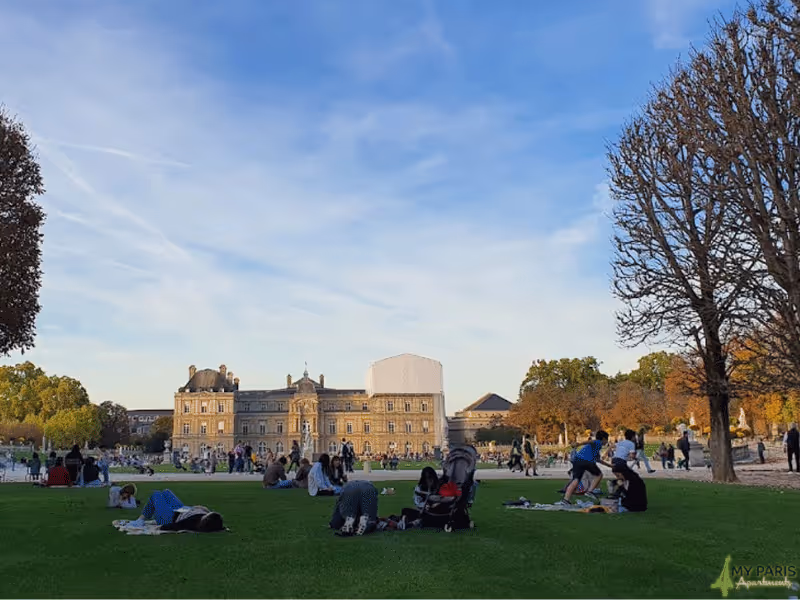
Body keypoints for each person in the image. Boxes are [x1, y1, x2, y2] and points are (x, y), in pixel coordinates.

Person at [129, 490, 225, 532]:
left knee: (156, 494)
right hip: (181, 509)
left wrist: (158, 528)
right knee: (166, 492)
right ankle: (141, 519)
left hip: (169, 518)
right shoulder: (210, 519)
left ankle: (140, 520)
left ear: (206, 518)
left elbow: (176, 526)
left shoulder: (192, 522)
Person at [558, 430, 611, 507]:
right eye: (607, 439)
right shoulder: (598, 442)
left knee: (576, 480)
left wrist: (610, 465)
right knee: (599, 475)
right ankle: (590, 491)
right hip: (586, 461)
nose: (607, 442)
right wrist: (579, 444)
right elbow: (591, 441)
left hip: (577, 460)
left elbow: (598, 459)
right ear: (603, 439)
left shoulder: (595, 448)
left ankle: (566, 500)